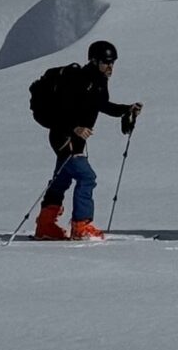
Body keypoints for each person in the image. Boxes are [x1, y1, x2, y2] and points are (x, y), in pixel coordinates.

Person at [35, 39, 142, 240]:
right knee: (87, 177)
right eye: (106, 62)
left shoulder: (99, 82)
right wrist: (75, 128)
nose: (110, 67)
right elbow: (60, 113)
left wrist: (126, 109)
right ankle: (81, 226)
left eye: (112, 62)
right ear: (94, 61)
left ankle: (45, 224)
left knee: (62, 179)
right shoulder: (79, 81)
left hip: (75, 139)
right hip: (64, 137)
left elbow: (103, 105)